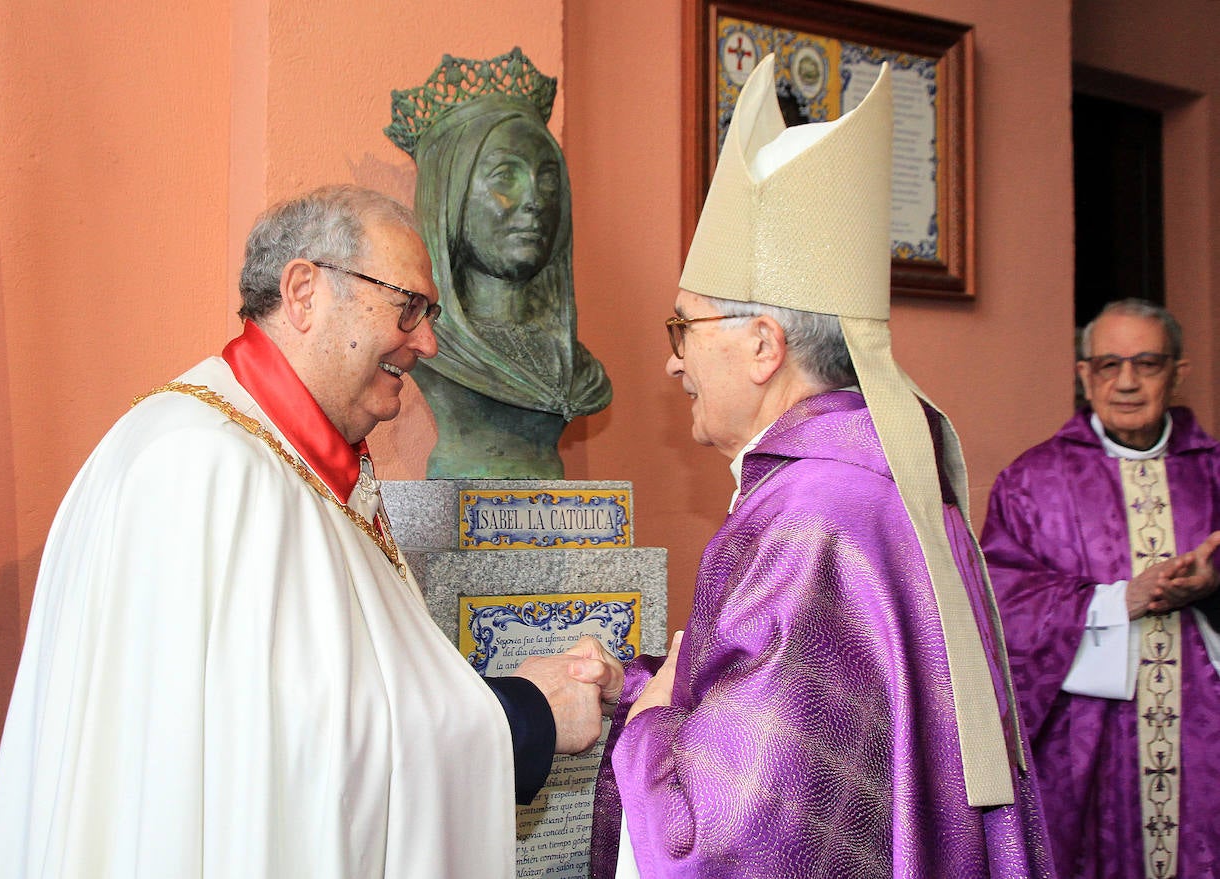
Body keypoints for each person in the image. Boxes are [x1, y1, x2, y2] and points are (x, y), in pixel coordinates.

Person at [0, 185, 623, 879]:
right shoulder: (212, 470)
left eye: (429, 314)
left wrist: (515, 697)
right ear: (304, 291)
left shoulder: (281, 464)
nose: (428, 342)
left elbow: (331, 717)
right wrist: (526, 714)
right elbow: (300, 764)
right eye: (409, 306)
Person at [588, 55, 1054, 878]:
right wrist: (647, 681)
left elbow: (729, 828)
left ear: (763, 345)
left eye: (682, 330)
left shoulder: (811, 514)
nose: (672, 363)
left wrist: (651, 723)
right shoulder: (869, 478)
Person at [981, 298, 1220, 879]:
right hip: (1086, 739)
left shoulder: (1213, 472)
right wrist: (1118, 601)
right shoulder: (1033, 481)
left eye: (1148, 363)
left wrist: (1215, 587)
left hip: (1204, 733)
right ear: (1084, 374)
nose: (1128, 382)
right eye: (1109, 365)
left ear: (1178, 373)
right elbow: (999, 603)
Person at [385, 48, 612, 478]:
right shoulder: (434, 351)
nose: (535, 201)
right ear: (449, 200)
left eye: (547, 179)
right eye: (505, 176)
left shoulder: (578, 371)